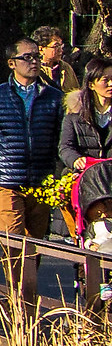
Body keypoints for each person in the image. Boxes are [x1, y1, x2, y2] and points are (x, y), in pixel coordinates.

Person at [0, 36, 64, 244]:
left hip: (42, 180)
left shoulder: (54, 97)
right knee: (12, 241)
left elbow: (61, 139)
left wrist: (60, 176)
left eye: (37, 57)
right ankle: (14, 269)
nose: (34, 62)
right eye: (27, 57)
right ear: (11, 63)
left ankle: (29, 269)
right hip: (7, 179)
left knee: (36, 243)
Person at [58, 54, 112, 236]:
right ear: (91, 84)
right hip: (86, 180)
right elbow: (65, 147)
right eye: (105, 80)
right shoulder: (75, 114)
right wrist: (76, 160)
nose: (111, 84)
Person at [37, 26, 81, 96]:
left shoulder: (66, 68)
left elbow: (76, 93)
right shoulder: (34, 71)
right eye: (56, 46)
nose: (61, 50)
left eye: (61, 46)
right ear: (41, 49)